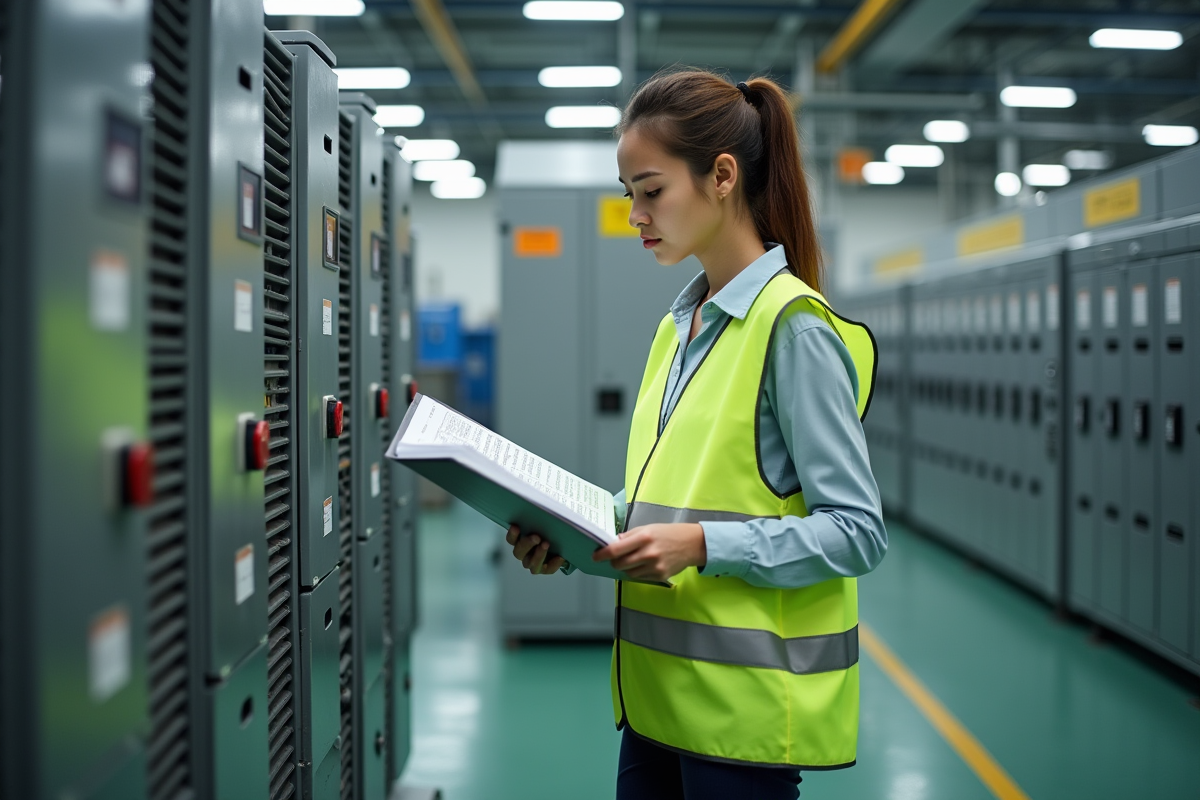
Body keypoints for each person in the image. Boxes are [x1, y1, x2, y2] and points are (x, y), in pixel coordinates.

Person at [505, 68, 886, 800]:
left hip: (738, 728)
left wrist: (704, 545)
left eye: (652, 191)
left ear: (721, 176)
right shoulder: (679, 328)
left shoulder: (792, 328)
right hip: (655, 706)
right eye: (629, 197)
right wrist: (575, 534)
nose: (635, 215)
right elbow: (671, 497)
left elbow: (857, 531)